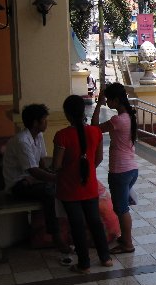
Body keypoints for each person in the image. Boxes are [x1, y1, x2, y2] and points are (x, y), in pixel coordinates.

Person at [53, 95, 112, 274]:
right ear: (83, 111)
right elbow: (98, 159)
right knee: (95, 222)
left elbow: (56, 165)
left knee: (77, 225)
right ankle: (106, 258)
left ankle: (84, 264)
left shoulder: (62, 136)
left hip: (69, 188)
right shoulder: (95, 132)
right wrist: (87, 170)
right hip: (90, 186)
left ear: (67, 114)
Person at [2, 104, 69, 253]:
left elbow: (40, 162)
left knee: (58, 189)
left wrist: (51, 173)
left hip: (30, 180)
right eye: (44, 120)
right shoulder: (22, 141)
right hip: (18, 185)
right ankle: (56, 237)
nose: (47, 123)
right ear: (35, 123)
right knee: (50, 192)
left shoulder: (38, 136)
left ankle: (66, 231)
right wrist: (56, 178)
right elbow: (33, 171)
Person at [91, 83, 138, 254]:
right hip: (131, 168)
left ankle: (128, 244)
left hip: (120, 170)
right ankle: (125, 238)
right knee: (122, 206)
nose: (107, 102)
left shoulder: (118, 120)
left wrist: (98, 104)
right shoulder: (128, 117)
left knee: (121, 208)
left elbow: (94, 128)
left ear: (116, 100)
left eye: (108, 99)